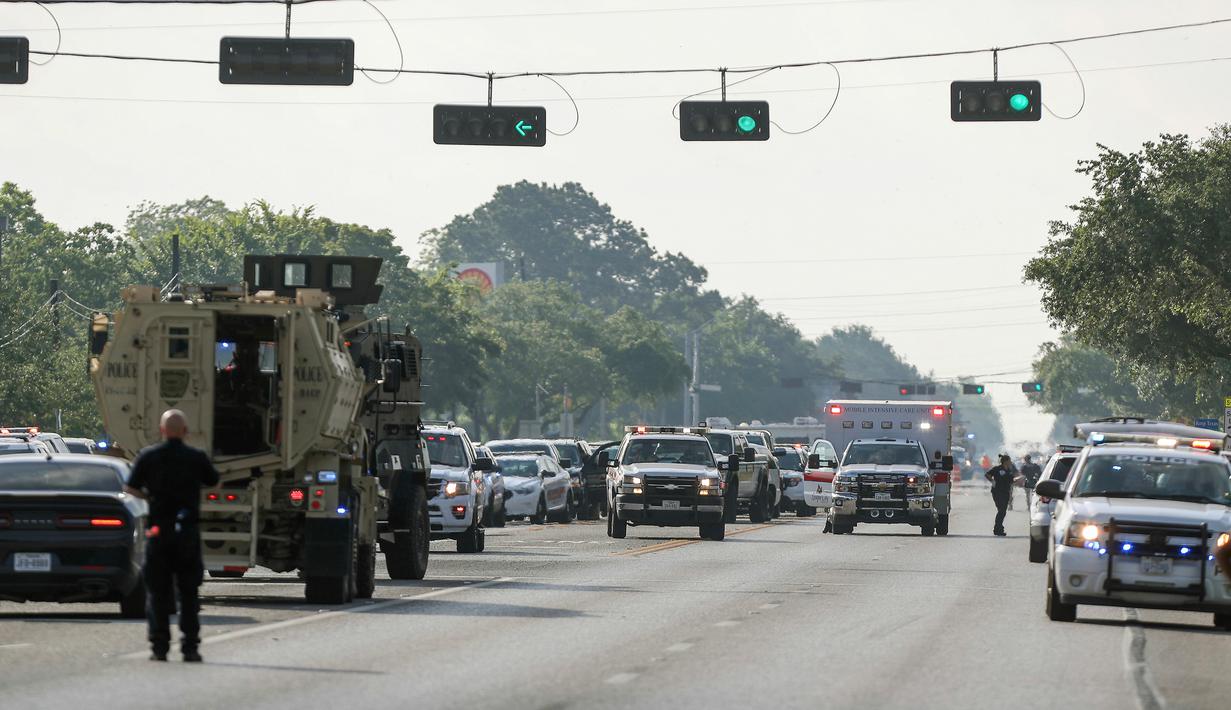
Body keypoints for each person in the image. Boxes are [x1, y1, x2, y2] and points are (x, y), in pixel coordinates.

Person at [124, 409, 220, 663]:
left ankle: (159, 647)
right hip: (186, 532)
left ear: (162, 430)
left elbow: (130, 486)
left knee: (157, 592)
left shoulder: (149, 456)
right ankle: (190, 648)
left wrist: (151, 498)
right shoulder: (195, 457)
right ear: (186, 432)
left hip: (158, 531)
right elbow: (214, 482)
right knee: (189, 593)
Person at [984, 454, 1017, 537]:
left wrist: (1018, 480)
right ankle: (998, 529)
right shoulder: (997, 469)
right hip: (997, 492)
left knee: (1003, 511)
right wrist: (992, 481)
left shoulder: (1009, 470)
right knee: (1001, 510)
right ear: (1005, 461)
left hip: (1006, 492)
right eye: (1009, 461)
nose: (1010, 462)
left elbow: (1011, 480)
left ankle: (999, 528)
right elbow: (987, 474)